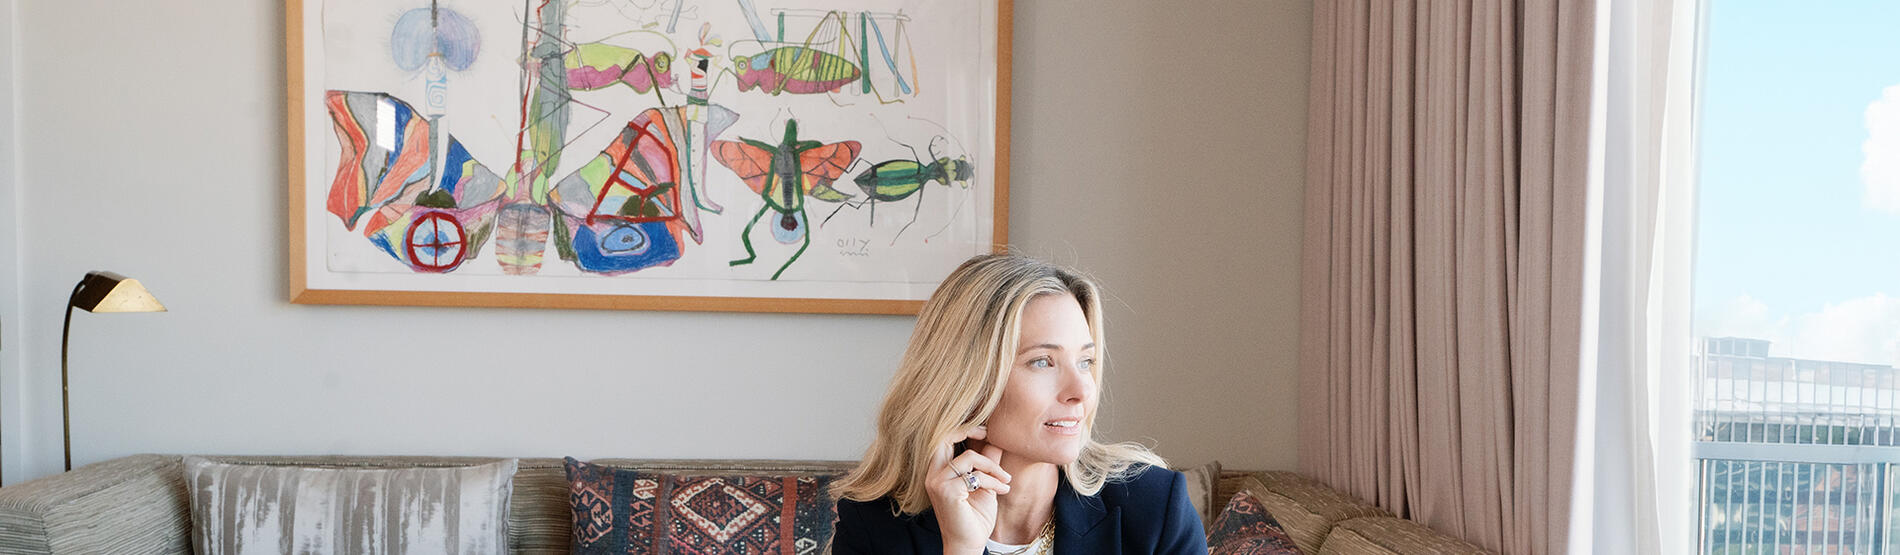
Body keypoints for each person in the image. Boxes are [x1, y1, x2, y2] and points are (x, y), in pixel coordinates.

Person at [831, 254, 1208, 554]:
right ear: (968, 380)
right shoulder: (874, 525)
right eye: (1042, 362)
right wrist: (962, 548)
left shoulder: (1155, 507)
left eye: (1085, 362)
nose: (1081, 391)